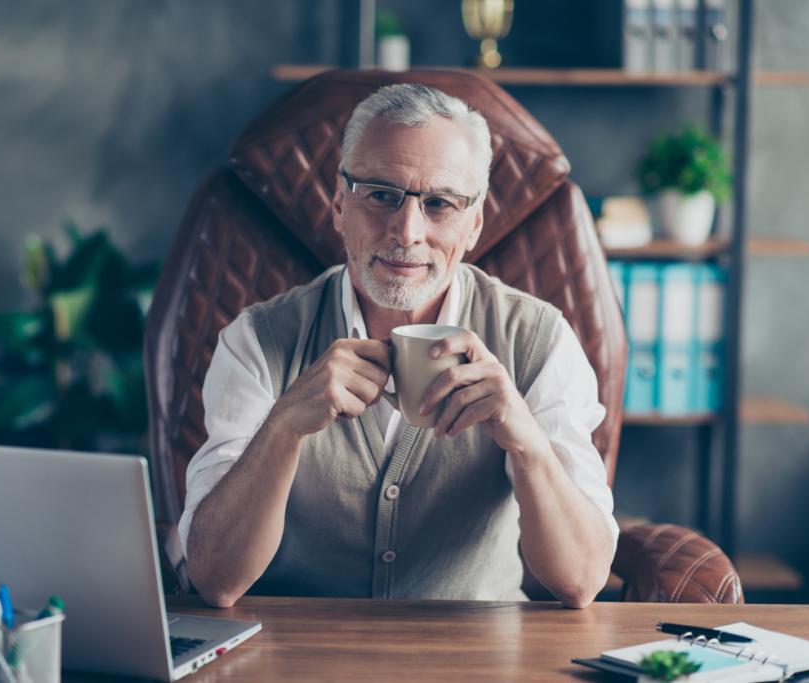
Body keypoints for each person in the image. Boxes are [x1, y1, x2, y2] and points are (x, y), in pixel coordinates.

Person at [179, 83, 617, 609]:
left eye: (440, 204)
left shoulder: (540, 340)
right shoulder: (256, 340)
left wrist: (526, 441)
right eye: (382, 194)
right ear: (341, 204)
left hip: (477, 657)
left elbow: (581, 580)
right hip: (297, 655)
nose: (407, 231)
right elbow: (215, 579)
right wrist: (284, 426)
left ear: (474, 222)